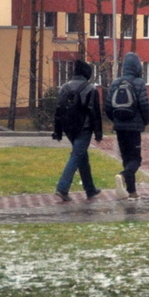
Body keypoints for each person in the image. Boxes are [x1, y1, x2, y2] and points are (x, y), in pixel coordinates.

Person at [51, 59, 103, 202]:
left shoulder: (64, 87)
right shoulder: (90, 89)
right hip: (84, 129)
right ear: (87, 73)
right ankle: (62, 188)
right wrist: (98, 133)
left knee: (81, 157)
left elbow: (58, 110)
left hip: (69, 129)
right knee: (76, 156)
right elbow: (95, 113)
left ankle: (90, 189)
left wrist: (58, 131)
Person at [104, 52, 149, 198]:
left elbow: (107, 107)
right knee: (135, 159)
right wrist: (145, 121)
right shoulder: (139, 82)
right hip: (134, 128)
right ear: (137, 67)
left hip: (119, 127)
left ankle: (132, 192)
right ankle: (123, 177)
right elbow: (144, 105)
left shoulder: (116, 83)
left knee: (126, 159)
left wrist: (116, 120)